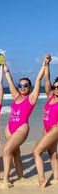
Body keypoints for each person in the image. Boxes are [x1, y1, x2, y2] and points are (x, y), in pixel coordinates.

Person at [2, 56, 46, 186]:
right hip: (9, 127)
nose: (22, 87)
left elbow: (38, 80)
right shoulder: (16, 97)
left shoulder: (31, 98)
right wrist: (5, 67)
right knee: (15, 153)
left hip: (21, 128)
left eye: (25, 85)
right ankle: (21, 177)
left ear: (29, 87)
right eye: (20, 85)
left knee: (5, 150)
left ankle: (5, 179)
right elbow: (10, 83)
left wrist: (44, 64)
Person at [33, 54, 58, 187]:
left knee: (36, 151)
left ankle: (42, 180)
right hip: (46, 128)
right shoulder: (50, 96)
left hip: (55, 129)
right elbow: (46, 79)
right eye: (55, 87)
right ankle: (56, 178)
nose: (55, 89)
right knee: (52, 154)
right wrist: (46, 63)